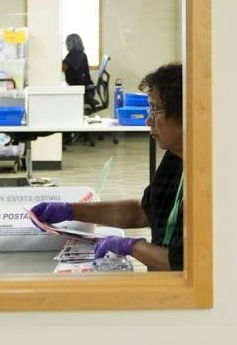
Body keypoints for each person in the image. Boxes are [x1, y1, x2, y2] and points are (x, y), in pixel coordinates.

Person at [31, 63, 183, 271]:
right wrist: (70, 210)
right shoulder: (175, 158)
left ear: (185, 114)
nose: (148, 120)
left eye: (155, 109)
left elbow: (181, 263)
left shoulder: (208, 176)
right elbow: (143, 212)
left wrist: (133, 246)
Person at [61, 33, 95, 108]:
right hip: (85, 89)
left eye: (67, 43)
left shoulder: (74, 54)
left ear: (70, 43)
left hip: (81, 90)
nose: (66, 45)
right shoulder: (80, 53)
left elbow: (62, 68)